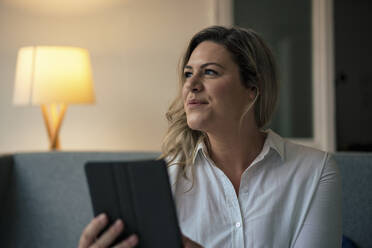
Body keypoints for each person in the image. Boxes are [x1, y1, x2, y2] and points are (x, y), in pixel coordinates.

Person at [78, 26, 342, 248]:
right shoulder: (166, 179)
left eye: (210, 72)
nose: (191, 85)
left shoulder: (314, 171)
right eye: (188, 74)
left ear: (252, 88)